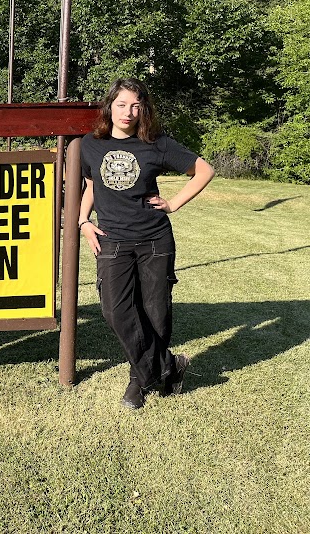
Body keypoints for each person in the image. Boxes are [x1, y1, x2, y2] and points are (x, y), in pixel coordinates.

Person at [79, 77, 215, 410]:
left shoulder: (156, 143)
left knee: (156, 314)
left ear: (143, 109)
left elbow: (204, 171)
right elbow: (92, 186)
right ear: (110, 106)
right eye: (122, 104)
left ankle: (137, 381)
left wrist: (174, 203)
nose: (128, 111)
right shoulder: (90, 144)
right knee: (116, 311)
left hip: (154, 239)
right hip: (112, 240)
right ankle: (169, 366)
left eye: (135, 105)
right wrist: (83, 222)